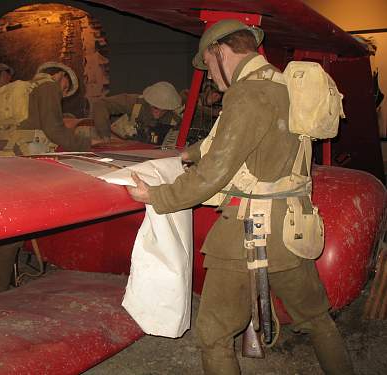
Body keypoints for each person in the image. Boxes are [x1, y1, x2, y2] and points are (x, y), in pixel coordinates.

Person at [127, 19, 353, 375]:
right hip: (292, 228)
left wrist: (156, 195)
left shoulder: (247, 93)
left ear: (220, 51)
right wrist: (185, 155)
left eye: (209, 64)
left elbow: (215, 172)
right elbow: (233, 140)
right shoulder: (279, 85)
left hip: (248, 234)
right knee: (317, 320)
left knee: (214, 336)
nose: (211, 78)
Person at [0, 61, 94, 301]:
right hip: (20, 166)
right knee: (12, 234)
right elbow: (54, 129)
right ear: (59, 75)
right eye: (65, 85)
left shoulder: (12, 92)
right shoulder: (47, 87)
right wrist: (85, 145)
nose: (63, 90)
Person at [91, 81, 183, 144]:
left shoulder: (176, 119)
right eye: (155, 107)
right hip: (125, 148)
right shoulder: (135, 102)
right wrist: (105, 135)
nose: (158, 111)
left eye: (163, 108)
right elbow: (100, 104)